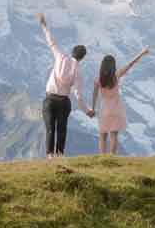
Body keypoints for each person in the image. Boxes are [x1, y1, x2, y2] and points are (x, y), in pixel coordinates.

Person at [37, 12, 90, 157]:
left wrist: (44, 25)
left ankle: (49, 155)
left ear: (72, 52)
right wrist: (87, 111)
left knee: (49, 128)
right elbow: (78, 94)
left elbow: (51, 41)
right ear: (82, 58)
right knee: (62, 128)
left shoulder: (60, 57)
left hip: (49, 99)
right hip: (64, 102)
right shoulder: (78, 72)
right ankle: (59, 154)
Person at [86, 47, 149, 155]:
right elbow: (130, 64)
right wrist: (141, 53)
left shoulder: (97, 80)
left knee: (102, 135)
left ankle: (102, 158)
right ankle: (112, 157)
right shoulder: (116, 76)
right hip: (116, 109)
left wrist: (92, 108)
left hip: (104, 109)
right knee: (114, 135)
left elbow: (95, 95)